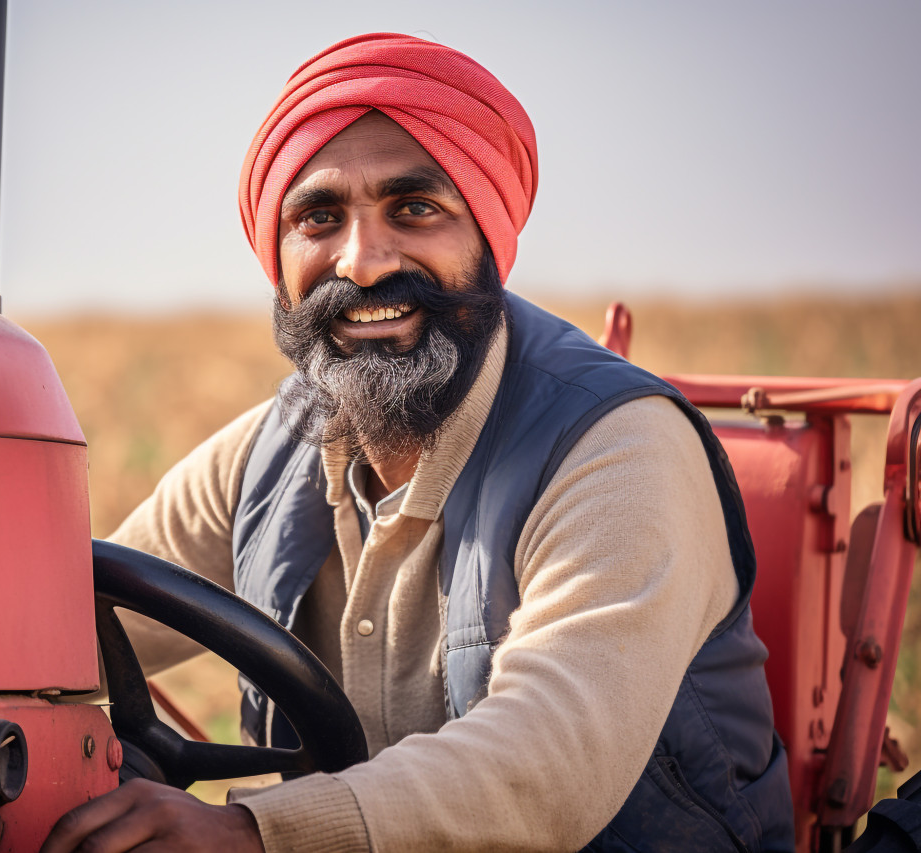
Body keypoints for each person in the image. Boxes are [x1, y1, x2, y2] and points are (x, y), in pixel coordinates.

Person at [42, 33, 794, 853]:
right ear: (278, 253)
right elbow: (59, 631)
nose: (362, 263)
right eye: (319, 217)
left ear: (488, 237)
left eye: (414, 208)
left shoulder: (616, 446)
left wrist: (251, 833)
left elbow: (548, 762)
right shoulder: (269, 450)